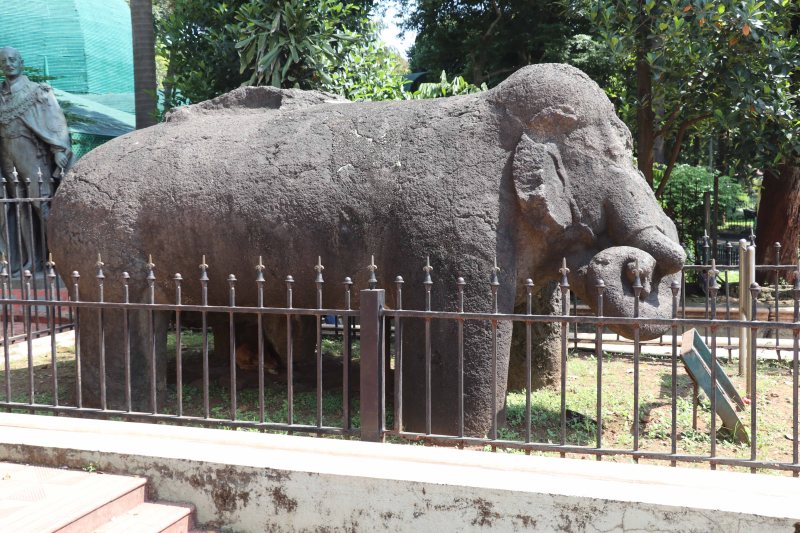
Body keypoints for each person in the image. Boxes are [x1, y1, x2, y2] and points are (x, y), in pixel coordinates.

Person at [0, 46, 71, 271]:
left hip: (33, 158)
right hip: (7, 159)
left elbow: (55, 122)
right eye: (4, 61)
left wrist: (59, 149)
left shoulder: (38, 91)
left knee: (42, 205)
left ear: (21, 62)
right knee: (19, 207)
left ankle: (60, 258)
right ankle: (33, 259)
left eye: (12, 60)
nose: (8, 64)